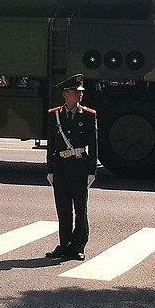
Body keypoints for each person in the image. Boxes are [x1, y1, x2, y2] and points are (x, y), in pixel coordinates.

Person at [45, 73, 98, 260]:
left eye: (80, 91)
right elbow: (51, 144)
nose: (80, 94)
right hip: (61, 166)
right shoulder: (54, 115)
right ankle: (64, 244)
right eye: (76, 91)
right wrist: (50, 169)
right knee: (63, 207)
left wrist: (92, 170)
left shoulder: (89, 115)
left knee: (80, 208)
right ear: (65, 94)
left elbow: (93, 144)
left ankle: (78, 246)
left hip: (79, 165)